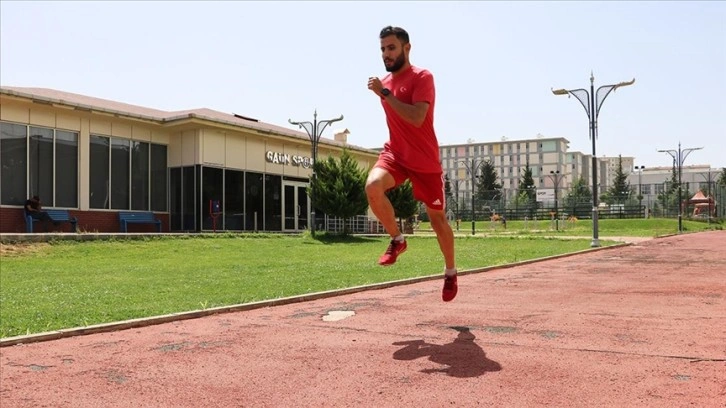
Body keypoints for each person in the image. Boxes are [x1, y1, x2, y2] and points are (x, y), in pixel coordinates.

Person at [366, 25, 458, 302]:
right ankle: (398, 239)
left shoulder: (422, 77)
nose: (386, 54)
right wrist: (386, 91)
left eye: (391, 47)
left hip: (424, 161)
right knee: (372, 187)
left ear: (407, 47)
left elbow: (417, 117)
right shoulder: (386, 82)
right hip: (395, 154)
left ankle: (451, 272)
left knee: (437, 221)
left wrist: (385, 94)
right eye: (383, 49)